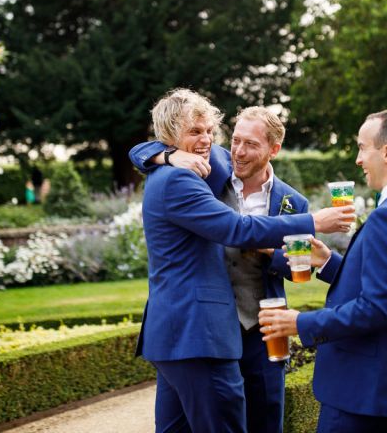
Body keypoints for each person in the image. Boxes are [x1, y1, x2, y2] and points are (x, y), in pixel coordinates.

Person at [133, 89, 354, 433]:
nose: (236, 150)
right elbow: (236, 228)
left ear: (273, 150)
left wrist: (277, 254)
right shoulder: (206, 169)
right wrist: (168, 156)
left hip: (258, 323)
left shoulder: (290, 201)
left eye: (210, 132)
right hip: (204, 328)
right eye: (235, 140)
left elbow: (294, 262)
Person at [259, 108, 387, 433]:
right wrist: (328, 262)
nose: (358, 159)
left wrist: (300, 322)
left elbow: (377, 309)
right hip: (385, 383)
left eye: (361, 147)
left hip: (360, 388)